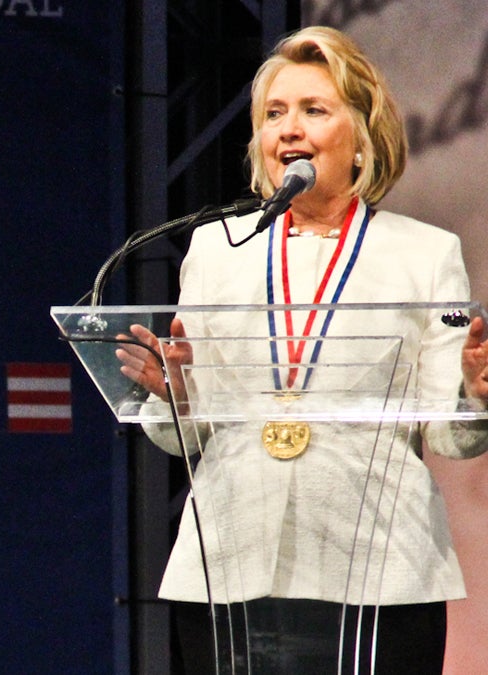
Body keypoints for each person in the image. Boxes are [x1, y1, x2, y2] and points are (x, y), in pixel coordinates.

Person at [115, 26, 488, 674]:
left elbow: (449, 433)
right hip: (230, 563)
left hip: (379, 570)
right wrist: (171, 396)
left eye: (314, 110)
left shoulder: (425, 255)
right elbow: (187, 433)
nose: (289, 128)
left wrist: (472, 394)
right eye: (273, 114)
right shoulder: (214, 250)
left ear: (362, 136)